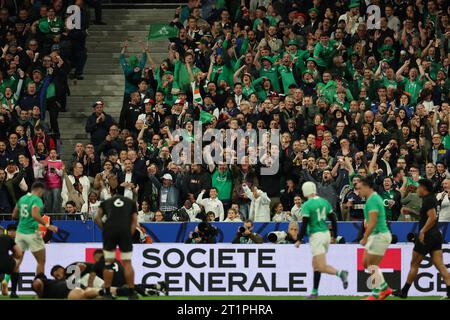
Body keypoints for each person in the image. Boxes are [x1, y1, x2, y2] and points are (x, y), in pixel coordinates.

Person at [394, 179, 450, 300]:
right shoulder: (430, 199)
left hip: (427, 236)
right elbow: (425, 216)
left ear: (424, 188)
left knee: (414, 264)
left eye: (418, 187)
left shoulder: (429, 200)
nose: (417, 189)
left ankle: (404, 292)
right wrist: (410, 211)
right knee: (440, 266)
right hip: (436, 235)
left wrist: (423, 231)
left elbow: (433, 217)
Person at [296, 181, 348, 299]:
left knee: (321, 266)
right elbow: (333, 219)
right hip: (326, 235)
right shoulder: (324, 202)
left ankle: (341, 273)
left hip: (316, 236)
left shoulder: (307, 205)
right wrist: (334, 235)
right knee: (315, 265)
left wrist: (299, 239)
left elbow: (304, 224)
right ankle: (315, 292)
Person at [94, 192, 138, 300]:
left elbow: (96, 217)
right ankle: (131, 293)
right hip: (125, 231)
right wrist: (129, 233)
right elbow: (134, 221)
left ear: (113, 197)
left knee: (108, 262)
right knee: (127, 263)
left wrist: (105, 230)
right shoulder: (131, 202)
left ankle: (107, 293)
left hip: (110, 230)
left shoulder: (106, 202)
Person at [11, 182, 58, 277]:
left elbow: (14, 215)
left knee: (17, 261)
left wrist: (24, 218)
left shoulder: (22, 199)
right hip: (32, 233)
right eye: (42, 192)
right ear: (39, 190)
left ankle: (8, 284)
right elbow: (35, 215)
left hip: (20, 233)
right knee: (41, 261)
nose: (42, 194)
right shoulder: (37, 200)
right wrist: (48, 225)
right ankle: (39, 285)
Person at [357, 176, 393, 300]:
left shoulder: (373, 199)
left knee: (371, 264)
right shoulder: (372, 198)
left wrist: (365, 237)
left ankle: (377, 292)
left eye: (360, 188)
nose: (358, 191)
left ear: (367, 187)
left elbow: (372, 221)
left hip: (379, 235)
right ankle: (384, 287)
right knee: (366, 263)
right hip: (375, 235)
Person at [0, 228, 21, 298]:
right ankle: (13, 292)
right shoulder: (7, 238)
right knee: (17, 265)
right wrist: (10, 257)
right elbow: (18, 254)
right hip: (5, 262)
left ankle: (2, 279)